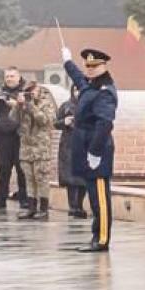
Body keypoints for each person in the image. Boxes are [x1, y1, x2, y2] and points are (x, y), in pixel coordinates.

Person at [62, 47, 117, 252]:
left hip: (97, 149)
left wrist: (94, 152)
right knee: (94, 195)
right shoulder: (91, 87)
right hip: (86, 147)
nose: (90, 70)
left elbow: (105, 124)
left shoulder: (105, 92)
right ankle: (97, 235)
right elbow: (78, 78)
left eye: (95, 66)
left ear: (104, 66)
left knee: (100, 198)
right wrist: (67, 62)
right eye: (88, 66)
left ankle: (101, 238)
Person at [13, 81, 56, 220]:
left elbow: (45, 121)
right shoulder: (24, 104)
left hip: (41, 148)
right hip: (26, 147)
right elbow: (13, 120)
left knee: (42, 178)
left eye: (32, 90)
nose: (30, 93)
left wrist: (30, 105)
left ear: (38, 89)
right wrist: (18, 106)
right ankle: (31, 207)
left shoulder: (46, 102)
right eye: (27, 91)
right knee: (29, 179)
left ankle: (43, 209)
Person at [0, 67, 29, 210]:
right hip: (3, 137)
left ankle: (24, 199)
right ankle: (0, 199)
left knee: (21, 170)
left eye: (12, 76)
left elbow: (31, 111)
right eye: (7, 77)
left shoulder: (25, 92)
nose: (9, 79)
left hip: (19, 135)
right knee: (3, 169)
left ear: (19, 77)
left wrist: (18, 104)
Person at [55, 85, 87, 218]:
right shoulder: (65, 106)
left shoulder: (90, 105)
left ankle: (80, 205)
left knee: (83, 179)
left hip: (85, 144)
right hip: (68, 145)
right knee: (70, 178)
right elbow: (55, 122)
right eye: (76, 90)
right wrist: (64, 122)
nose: (78, 92)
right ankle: (73, 206)